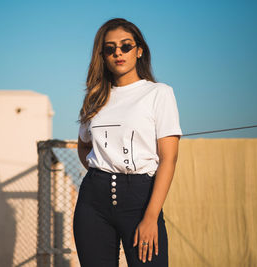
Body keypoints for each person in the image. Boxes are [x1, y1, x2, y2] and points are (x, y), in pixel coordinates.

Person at [73, 18, 182, 267]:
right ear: (102, 55)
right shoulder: (94, 98)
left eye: (126, 46)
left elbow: (168, 159)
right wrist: (102, 170)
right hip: (93, 202)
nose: (118, 53)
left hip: (140, 199)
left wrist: (151, 216)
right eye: (110, 48)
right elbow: (83, 145)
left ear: (139, 50)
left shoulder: (158, 93)